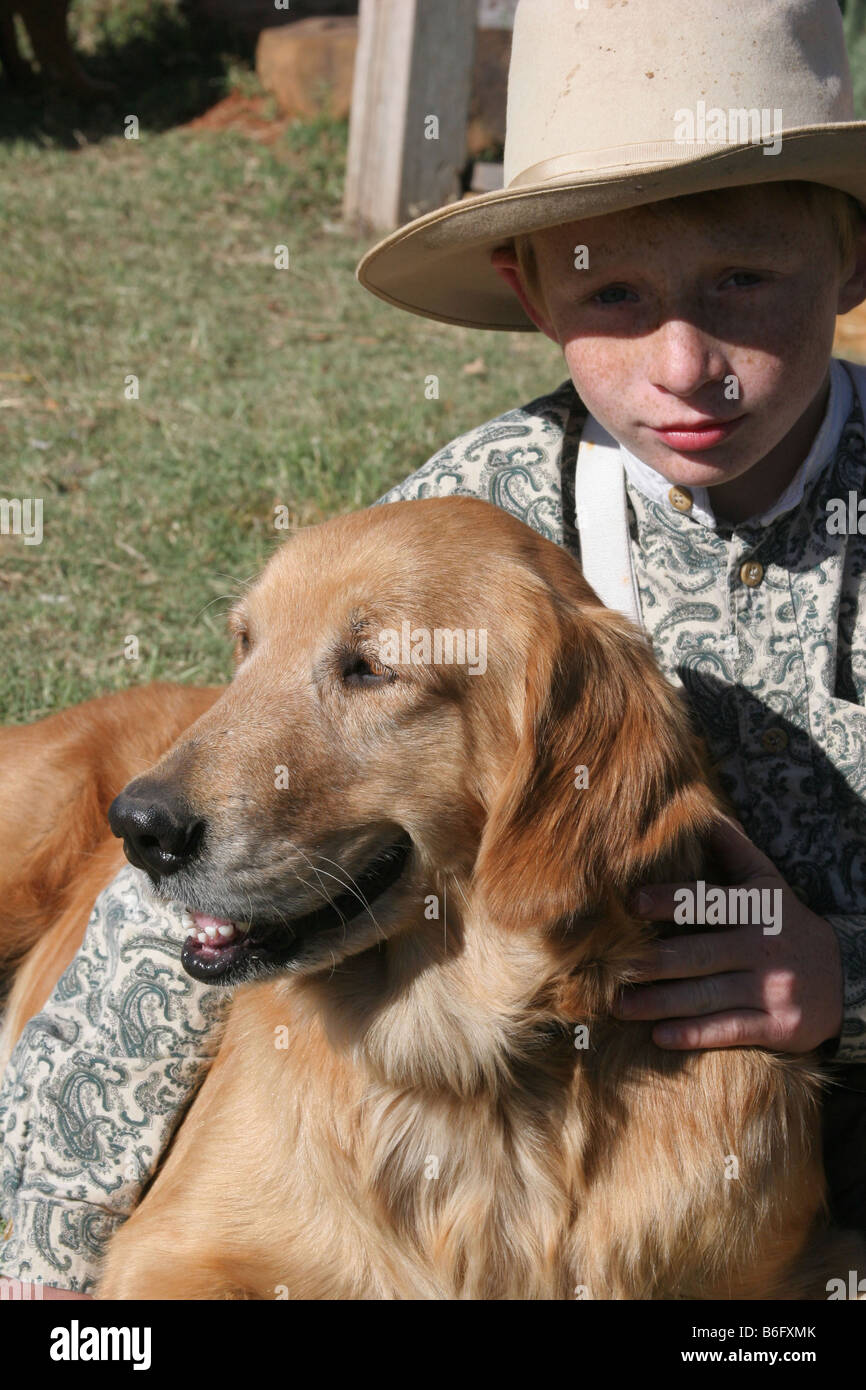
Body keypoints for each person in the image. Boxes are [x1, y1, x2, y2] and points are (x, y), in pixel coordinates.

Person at [1, 0, 865, 1297]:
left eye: (740, 281)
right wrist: (41, 1262)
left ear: (850, 257)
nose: (683, 361)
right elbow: (152, 925)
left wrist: (840, 980)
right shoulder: (471, 515)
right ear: (529, 286)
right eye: (611, 292)